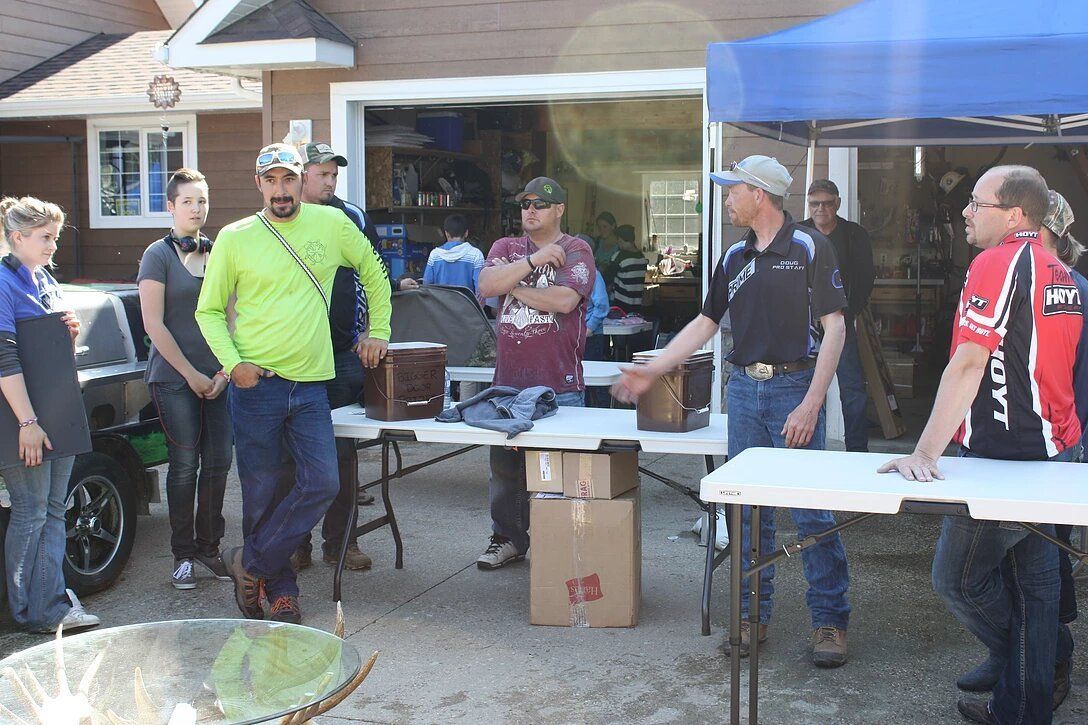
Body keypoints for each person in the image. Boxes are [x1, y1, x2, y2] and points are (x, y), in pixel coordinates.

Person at [613, 155, 851, 668]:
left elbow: (835, 327)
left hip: (795, 388)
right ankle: (751, 616)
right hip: (744, 390)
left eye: (731, 190)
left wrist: (812, 402)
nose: (726, 200)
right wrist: (653, 370)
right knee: (746, 509)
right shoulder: (733, 257)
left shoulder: (811, 246)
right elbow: (705, 325)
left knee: (810, 510)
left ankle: (829, 620)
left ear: (758, 194)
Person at [879, 166, 1082, 724]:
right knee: (1036, 590)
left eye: (977, 203)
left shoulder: (998, 261)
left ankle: (1025, 660)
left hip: (1006, 460)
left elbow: (970, 361)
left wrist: (925, 452)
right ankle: (1024, 702)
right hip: (1051, 455)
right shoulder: (1060, 270)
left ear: (1015, 215)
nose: (965, 211)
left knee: (958, 579)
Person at [196, 143, 392, 624]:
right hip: (255, 385)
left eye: (289, 179)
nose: (281, 190)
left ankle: (251, 564)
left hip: (309, 387)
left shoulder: (331, 224)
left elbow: (375, 272)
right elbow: (209, 311)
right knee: (262, 493)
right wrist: (233, 363)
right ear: (258, 183)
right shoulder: (235, 237)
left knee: (323, 482)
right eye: (271, 180)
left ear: (301, 180)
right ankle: (280, 591)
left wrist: (380, 330)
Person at [277, 140, 395, 574]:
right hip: (293, 357)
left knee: (343, 454)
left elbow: (375, 274)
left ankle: (341, 543)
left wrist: (372, 331)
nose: (330, 181)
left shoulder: (351, 216)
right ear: (300, 175)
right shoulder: (279, 219)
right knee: (292, 457)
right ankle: (295, 542)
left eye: (334, 174)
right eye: (321, 173)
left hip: (344, 351)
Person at [475, 177, 595, 569]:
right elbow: (486, 283)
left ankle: (559, 546)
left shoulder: (576, 249)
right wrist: (531, 263)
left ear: (559, 209)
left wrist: (514, 287)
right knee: (505, 472)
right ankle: (507, 539)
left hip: (558, 386)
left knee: (559, 473)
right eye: (525, 204)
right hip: (508, 387)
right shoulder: (506, 248)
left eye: (540, 205)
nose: (530, 210)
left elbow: (563, 301)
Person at [0, 196, 99, 634]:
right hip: (25, 420)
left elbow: (49, 345)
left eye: (56, 238)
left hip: (58, 412)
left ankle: (52, 605)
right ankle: (27, 611)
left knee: (55, 509)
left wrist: (68, 332)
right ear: (18, 237)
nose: (53, 247)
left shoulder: (43, 279)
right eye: (46, 238)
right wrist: (27, 422)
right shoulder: (3, 282)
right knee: (31, 510)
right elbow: (4, 358)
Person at [138, 168, 233, 590]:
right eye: (188, 201)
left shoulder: (220, 252)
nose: (197, 209)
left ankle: (209, 547)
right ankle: (183, 556)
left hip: (219, 377)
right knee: (184, 466)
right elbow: (153, 325)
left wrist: (226, 370)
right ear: (171, 206)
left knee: (219, 463)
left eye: (203, 201)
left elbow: (234, 317)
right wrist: (192, 374)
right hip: (175, 377)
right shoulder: (156, 255)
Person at [802, 179, 875, 452]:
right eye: (814, 203)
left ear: (838, 203)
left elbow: (867, 277)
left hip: (840, 322)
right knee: (804, 389)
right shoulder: (799, 234)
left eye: (827, 203)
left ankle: (857, 452)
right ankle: (810, 449)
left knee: (852, 390)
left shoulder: (854, 235)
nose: (820, 208)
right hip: (804, 327)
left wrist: (849, 312)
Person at [423, 214, 484, 295]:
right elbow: (480, 289)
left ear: (446, 233)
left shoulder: (435, 255)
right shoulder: (476, 255)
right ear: (466, 233)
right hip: (467, 306)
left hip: (439, 306)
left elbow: (426, 285)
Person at [610, 224, 648, 314]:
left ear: (621, 240)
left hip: (620, 305)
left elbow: (608, 277)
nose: (618, 244)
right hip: (637, 305)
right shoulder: (642, 257)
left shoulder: (619, 257)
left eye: (619, 241)